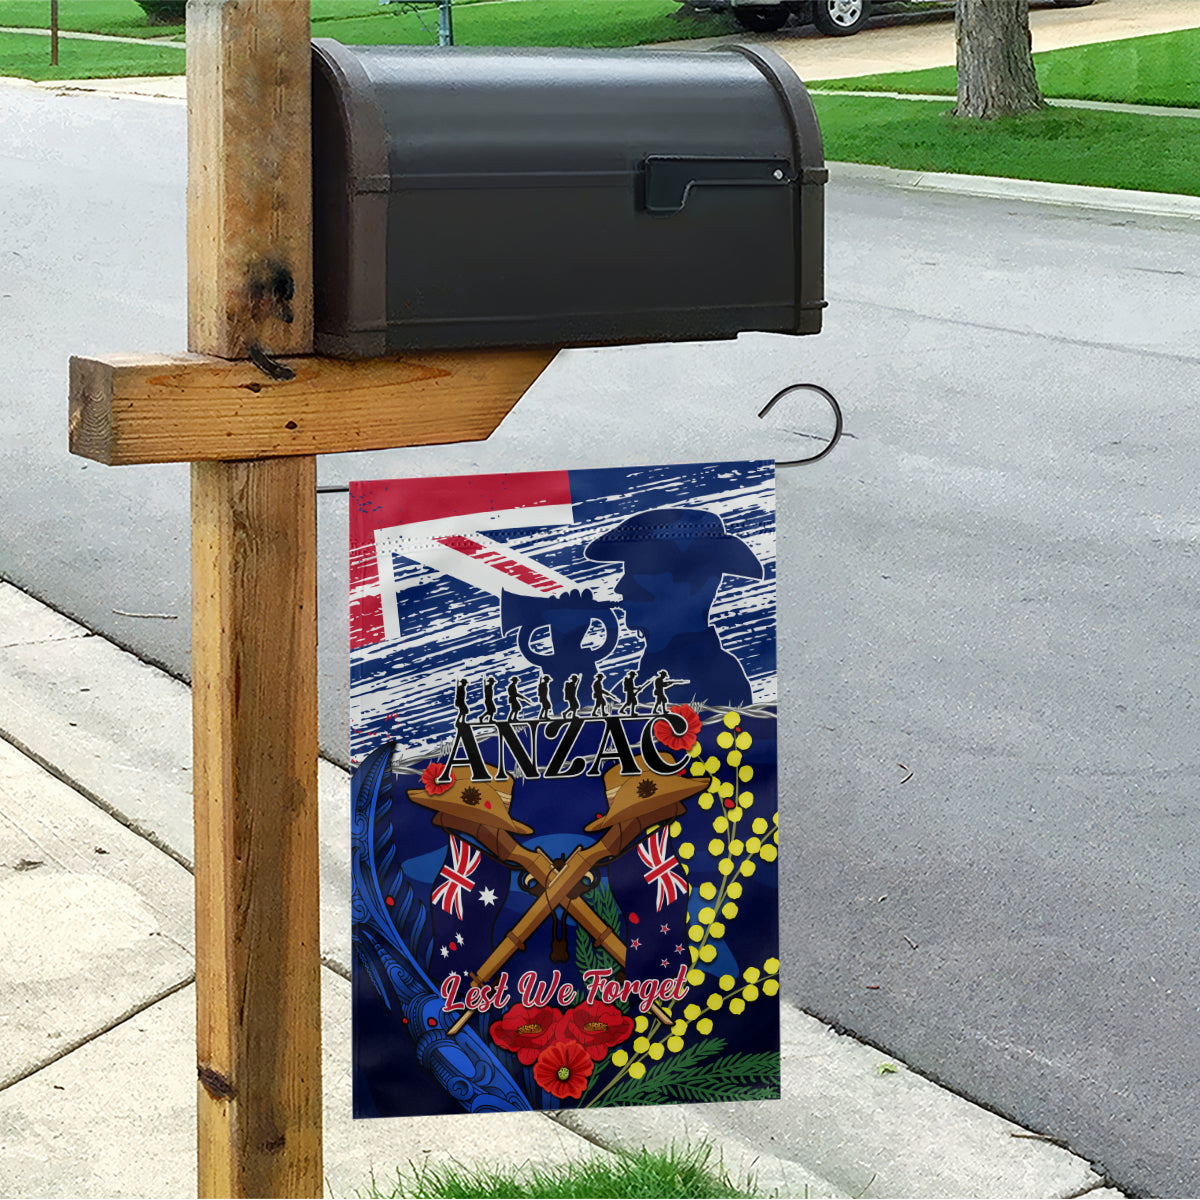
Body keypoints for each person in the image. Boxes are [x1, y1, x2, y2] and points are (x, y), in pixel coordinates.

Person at [585, 507, 762, 707]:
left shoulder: (717, 679)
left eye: (643, 571)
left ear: (699, 586)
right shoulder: (632, 688)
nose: (621, 587)